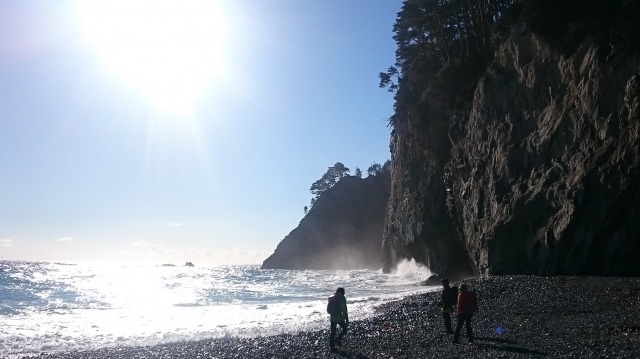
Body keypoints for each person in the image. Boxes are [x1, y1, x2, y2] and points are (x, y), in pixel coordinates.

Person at [329, 287, 348, 352]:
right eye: (343, 291)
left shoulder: (332, 297)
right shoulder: (342, 298)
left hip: (332, 317)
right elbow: (344, 309)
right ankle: (338, 339)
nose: (344, 293)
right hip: (339, 317)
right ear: (341, 292)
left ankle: (332, 347)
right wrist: (346, 318)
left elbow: (329, 309)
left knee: (333, 332)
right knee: (345, 329)